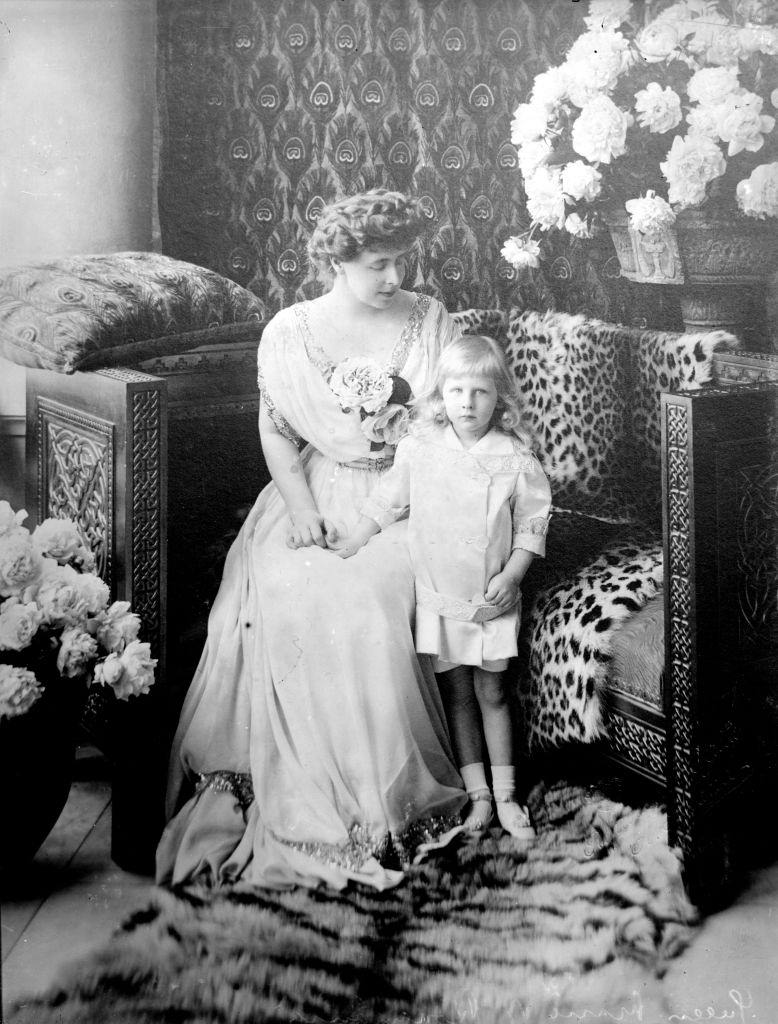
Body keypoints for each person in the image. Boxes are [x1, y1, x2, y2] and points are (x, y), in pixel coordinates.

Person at [156, 189, 469, 891]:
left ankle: (380, 804)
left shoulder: (429, 319)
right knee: (293, 583)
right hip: (314, 490)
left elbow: (445, 426)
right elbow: (275, 429)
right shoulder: (290, 331)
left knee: (366, 596)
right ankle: (313, 795)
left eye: (400, 263)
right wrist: (299, 508)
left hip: (410, 496)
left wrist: (388, 503)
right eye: (380, 265)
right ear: (339, 260)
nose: (395, 279)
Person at [334, 334, 552, 839]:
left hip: (490, 595)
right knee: (456, 694)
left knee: (493, 691)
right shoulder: (421, 449)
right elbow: (390, 501)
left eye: (480, 392)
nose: (467, 403)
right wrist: (356, 540)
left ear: (500, 399)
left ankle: (506, 795)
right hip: (439, 595)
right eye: (457, 391)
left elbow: (532, 526)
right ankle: (477, 794)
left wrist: (512, 574)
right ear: (441, 396)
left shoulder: (514, 458)